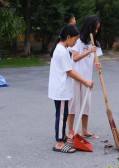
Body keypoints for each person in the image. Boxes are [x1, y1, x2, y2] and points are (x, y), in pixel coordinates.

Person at [48, 25, 94, 153]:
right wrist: (85, 81)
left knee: (63, 114)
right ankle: (59, 143)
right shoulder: (61, 51)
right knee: (62, 116)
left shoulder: (62, 49)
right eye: (75, 39)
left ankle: (62, 137)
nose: (75, 43)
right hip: (61, 90)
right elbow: (70, 72)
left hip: (61, 89)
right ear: (68, 37)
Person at [67, 15, 102, 142]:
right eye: (95, 29)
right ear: (90, 28)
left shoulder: (96, 44)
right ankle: (70, 131)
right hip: (76, 77)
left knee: (86, 105)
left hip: (88, 79)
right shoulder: (78, 41)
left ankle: (85, 130)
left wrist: (97, 64)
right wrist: (89, 51)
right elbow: (74, 58)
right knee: (72, 105)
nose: (96, 32)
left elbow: (94, 60)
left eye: (98, 30)